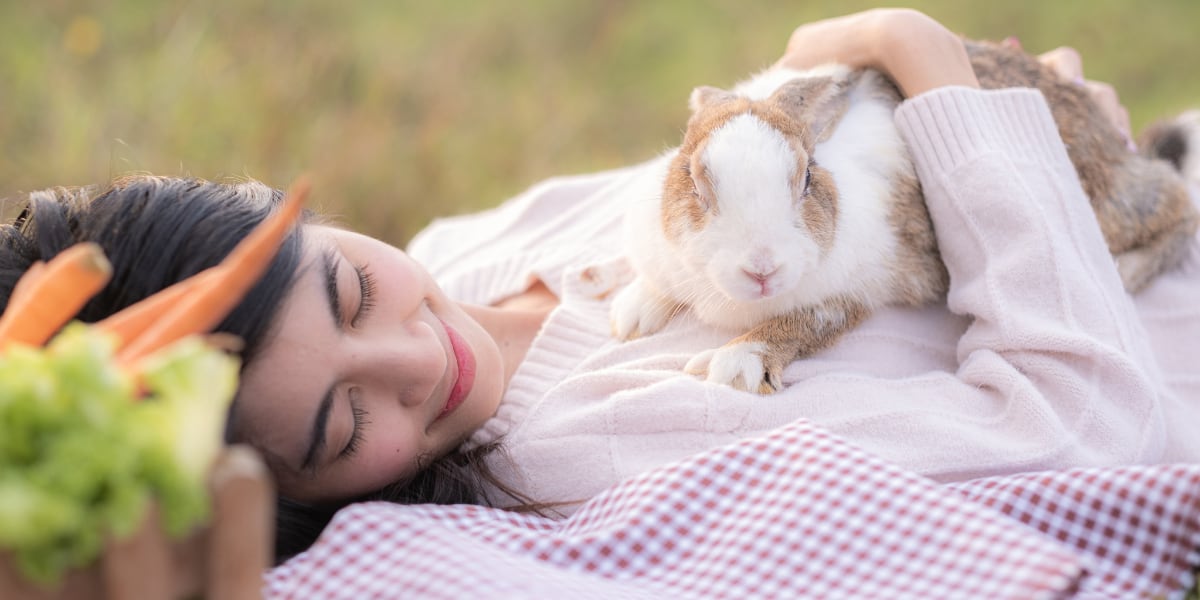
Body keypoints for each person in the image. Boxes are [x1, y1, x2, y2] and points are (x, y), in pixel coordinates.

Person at [3, 9, 1199, 564]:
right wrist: (930, 63)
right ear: (304, 497)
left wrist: (1044, 120)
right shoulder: (605, 452)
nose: (423, 361)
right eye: (347, 423)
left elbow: (765, 147)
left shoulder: (475, 238)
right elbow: (1088, 424)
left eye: (354, 294)